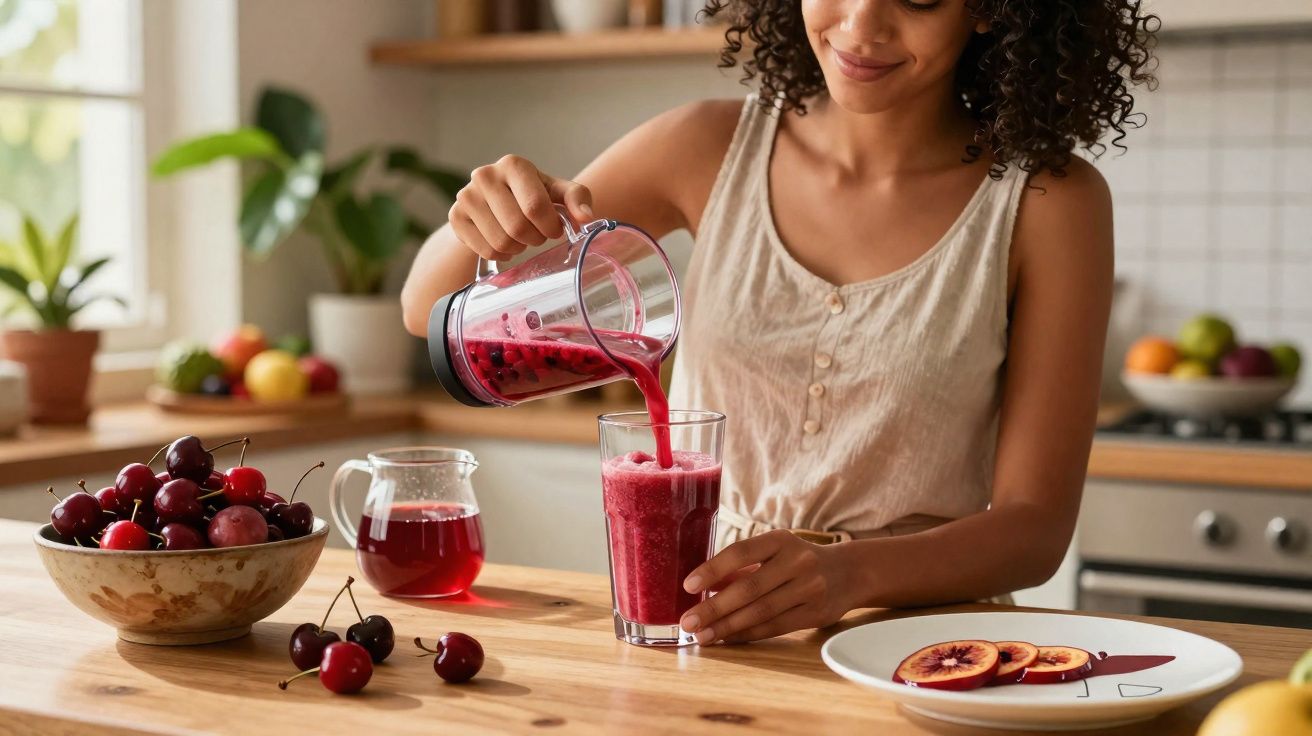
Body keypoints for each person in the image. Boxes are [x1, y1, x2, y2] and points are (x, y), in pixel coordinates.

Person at [402, 0, 1158, 645]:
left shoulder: (1051, 203)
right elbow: (424, 307)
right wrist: (488, 216)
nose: (862, 25)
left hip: (924, 654)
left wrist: (847, 574)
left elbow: (1034, 530)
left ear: (993, 8)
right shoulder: (704, 146)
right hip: (709, 632)